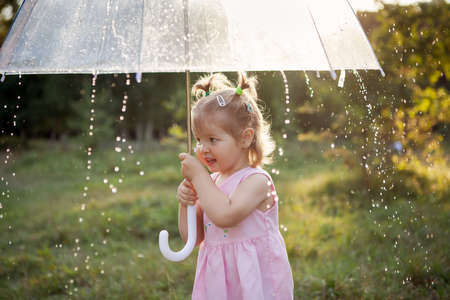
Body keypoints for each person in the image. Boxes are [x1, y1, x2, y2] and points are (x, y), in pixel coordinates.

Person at [177, 72, 294, 300]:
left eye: (213, 139)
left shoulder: (257, 181)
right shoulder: (211, 183)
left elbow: (226, 215)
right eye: (199, 139)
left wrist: (199, 178)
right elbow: (193, 237)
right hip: (218, 279)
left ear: (245, 138)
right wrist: (186, 203)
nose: (202, 148)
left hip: (254, 277)